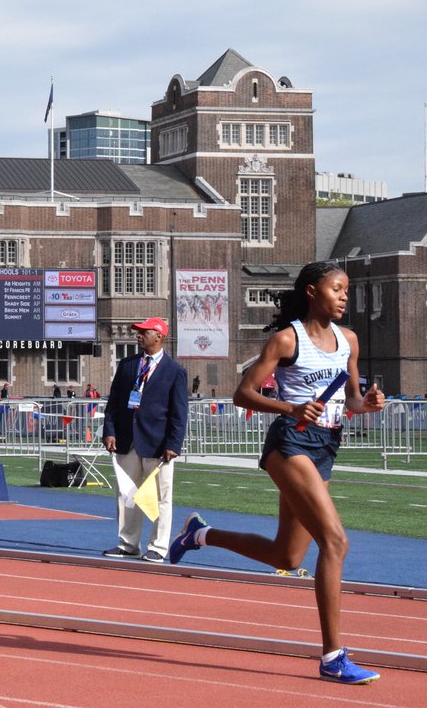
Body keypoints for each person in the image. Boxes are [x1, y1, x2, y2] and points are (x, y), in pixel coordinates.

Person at [169, 261, 386, 685]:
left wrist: (370, 403)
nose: (344, 296)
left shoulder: (349, 341)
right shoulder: (288, 339)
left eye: (346, 290)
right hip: (289, 443)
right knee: (336, 541)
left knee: (287, 556)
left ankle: (199, 534)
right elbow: (242, 393)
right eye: (337, 288)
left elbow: (354, 400)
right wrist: (291, 407)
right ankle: (333, 657)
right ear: (311, 291)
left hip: (325, 448)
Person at [101, 317, 188, 562]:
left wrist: (174, 443)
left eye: (143, 332)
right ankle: (128, 544)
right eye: (137, 332)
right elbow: (114, 402)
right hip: (127, 440)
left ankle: (158, 547)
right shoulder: (128, 365)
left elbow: (179, 412)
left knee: (161, 497)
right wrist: (109, 430)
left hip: (158, 444)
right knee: (126, 495)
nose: (138, 335)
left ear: (159, 336)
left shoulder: (175, 371)